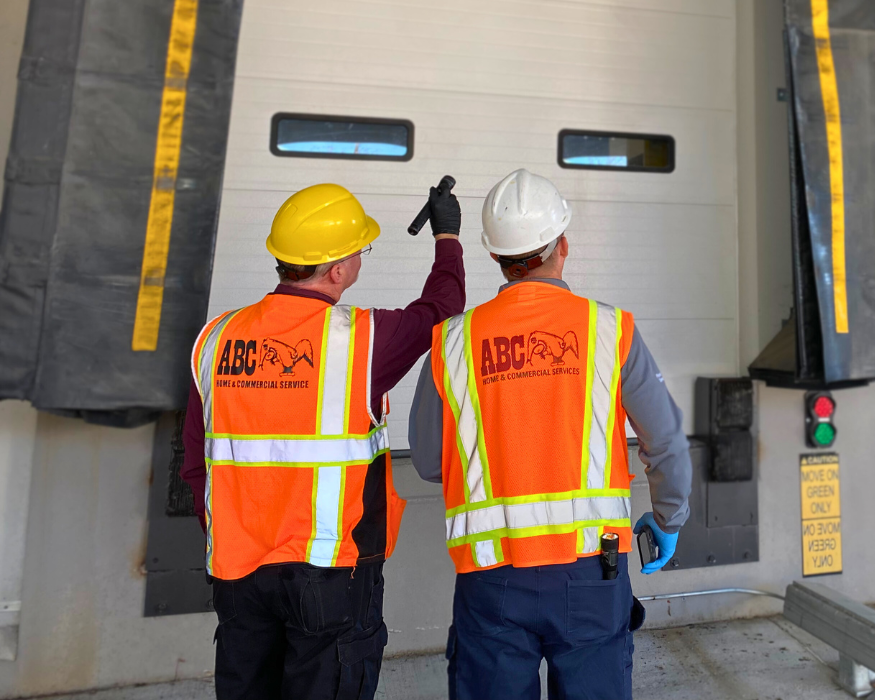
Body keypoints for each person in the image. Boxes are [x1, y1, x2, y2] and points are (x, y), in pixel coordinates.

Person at [408, 169, 692, 700]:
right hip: (592, 573)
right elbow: (668, 442)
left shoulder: (450, 342)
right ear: (563, 246)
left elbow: (427, 460)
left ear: (495, 258)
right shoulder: (610, 330)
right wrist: (669, 517)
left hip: (490, 576)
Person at [181, 181, 465, 700]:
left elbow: (195, 464)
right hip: (329, 575)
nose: (361, 258)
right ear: (337, 270)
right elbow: (442, 308)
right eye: (360, 250)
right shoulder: (363, 340)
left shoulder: (216, 338)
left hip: (237, 575)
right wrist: (447, 236)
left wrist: (231, 537)